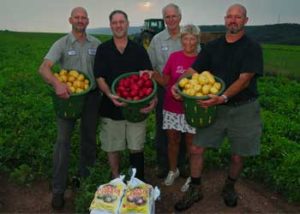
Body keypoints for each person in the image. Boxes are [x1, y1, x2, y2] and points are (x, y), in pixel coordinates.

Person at [173, 4, 263, 211]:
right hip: (213, 108)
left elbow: (245, 79)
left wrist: (222, 97)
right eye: (230, 17)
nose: (233, 20)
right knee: (196, 148)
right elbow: (193, 70)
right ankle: (195, 188)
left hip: (243, 108)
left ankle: (229, 186)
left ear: (245, 21)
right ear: (225, 20)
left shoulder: (252, 48)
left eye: (238, 17)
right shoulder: (212, 47)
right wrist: (177, 85)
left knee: (238, 154)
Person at [38, 7, 101, 210]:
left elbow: (104, 70)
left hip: (90, 97)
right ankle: (58, 189)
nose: (80, 20)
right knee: (62, 142)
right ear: (70, 20)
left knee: (89, 141)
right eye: (77, 17)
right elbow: (44, 68)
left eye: (83, 18)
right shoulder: (62, 43)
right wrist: (57, 84)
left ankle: (84, 182)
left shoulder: (96, 44)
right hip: (68, 99)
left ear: (88, 21)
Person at [93, 10, 156, 182]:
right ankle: (116, 179)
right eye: (115, 22)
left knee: (136, 146)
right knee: (112, 146)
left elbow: (148, 78)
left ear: (127, 24)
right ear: (111, 25)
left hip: (136, 107)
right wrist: (108, 93)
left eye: (122, 22)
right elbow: (99, 77)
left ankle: (138, 181)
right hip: (110, 106)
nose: (118, 25)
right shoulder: (103, 49)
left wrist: (153, 100)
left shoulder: (138, 50)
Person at [147, 25, 200, 187]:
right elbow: (165, 81)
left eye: (192, 38)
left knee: (192, 143)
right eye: (185, 38)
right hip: (171, 106)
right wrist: (153, 74)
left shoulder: (202, 59)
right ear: (181, 39)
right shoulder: (174, 57)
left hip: (191, 109)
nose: (188, 42)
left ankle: (193, 176)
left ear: (197, 40)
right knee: (172, 140)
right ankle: (173, 170)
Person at [147, 3, 188, 179]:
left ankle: (182, 163)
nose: (171, 20)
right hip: (164, 90)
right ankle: (163, 164)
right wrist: (155, 90)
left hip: (186, 92)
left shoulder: (188, 37)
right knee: (163, 127)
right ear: (164, 19)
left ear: (180, 17)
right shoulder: (157, 40)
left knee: (186, 128)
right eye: (167, 17)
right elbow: (151, 65)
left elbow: (198, 62)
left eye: (174, 16)